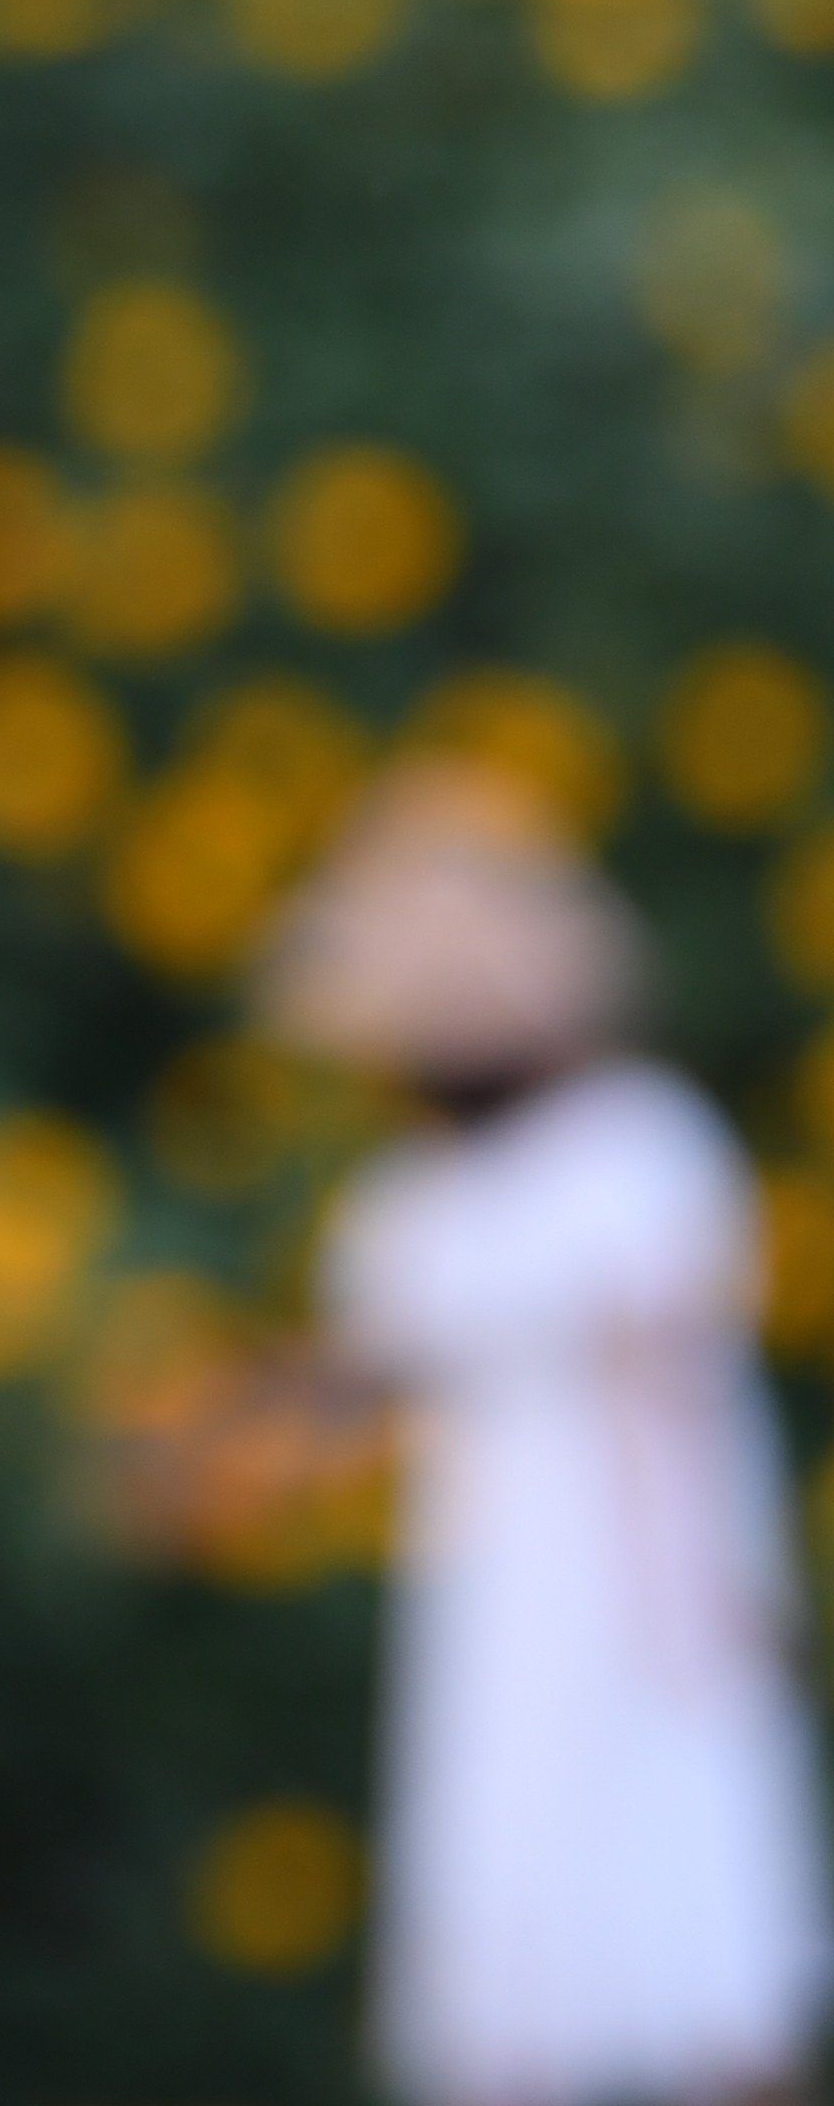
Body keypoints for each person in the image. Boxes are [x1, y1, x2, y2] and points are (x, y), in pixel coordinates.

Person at [267, 762, 828, 2106]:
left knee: (680, 1883)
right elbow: (359, 1380)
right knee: (529, 1874)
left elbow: (667, 1399)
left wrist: (708, 1592)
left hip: (629, 1590)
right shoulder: (423, 1200)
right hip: (506, 1590)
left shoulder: (630, 1155)